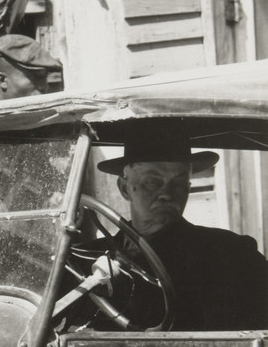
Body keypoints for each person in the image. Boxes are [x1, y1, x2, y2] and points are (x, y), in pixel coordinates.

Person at [85, 136, 268, 330]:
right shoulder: (82, 261)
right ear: (125, 188)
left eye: (179, 183)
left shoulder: (233, 255)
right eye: (153, 182)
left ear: (188, 188)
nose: (167, 194)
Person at [0, 34, 63, 102]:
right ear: (3, 80)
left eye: (44, 77)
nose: (44, 87)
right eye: (35, 77)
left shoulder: (51, 118)